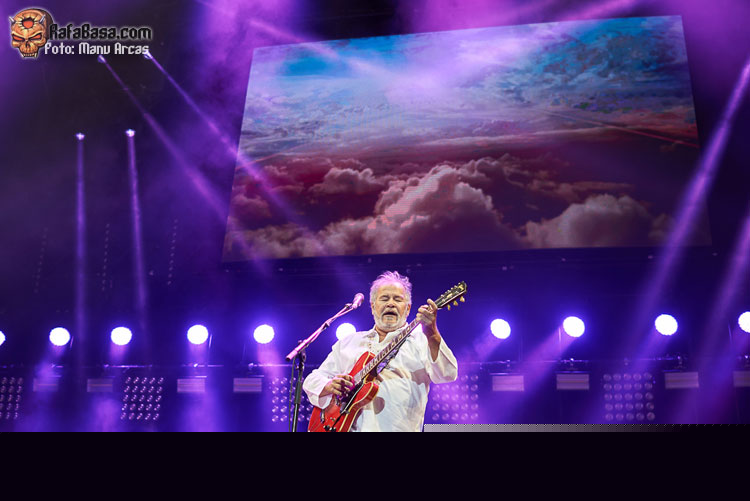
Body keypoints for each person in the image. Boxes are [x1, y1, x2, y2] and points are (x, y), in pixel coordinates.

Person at [303, 271, 458, 431]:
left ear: (407, 309)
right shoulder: (349, 342)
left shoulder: (422, 341)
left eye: (398, 299)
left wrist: (432, 333)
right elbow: (312, 380)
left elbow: (448, 374)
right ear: (372, 306)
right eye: (384, 298)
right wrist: (330, 385)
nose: (391, 304)